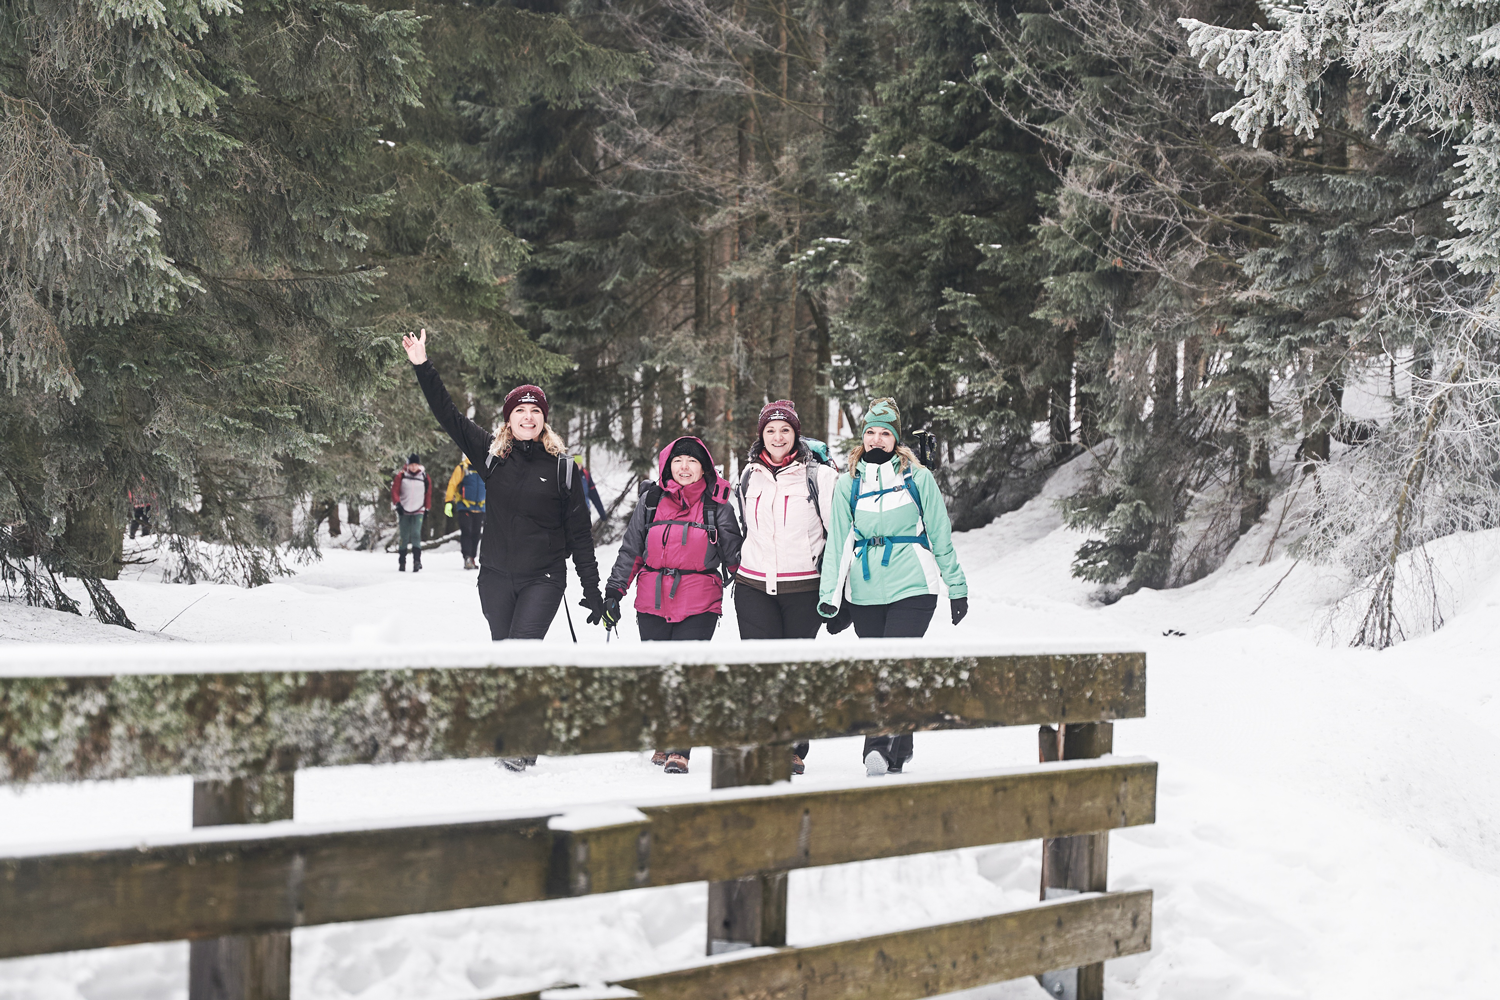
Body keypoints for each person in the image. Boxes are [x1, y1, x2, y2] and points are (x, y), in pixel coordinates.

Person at [403, 329, 605, 770]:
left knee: (522, 654)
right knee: (504, 656)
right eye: (520, 411)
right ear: (508, 419)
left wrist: (593, 590)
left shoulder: (563, 470)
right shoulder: (492, 457)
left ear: (544, 419)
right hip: (495, 576)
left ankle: (519, 742)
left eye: (535, 412)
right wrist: (422, 364)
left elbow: (580, 536)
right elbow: (449, 415)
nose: (528, 418)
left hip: (544, 578)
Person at [818, 398, 969, 777]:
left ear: (896, 438)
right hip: (866, 589)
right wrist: (830, 599)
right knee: (877, 669)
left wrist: (956, 587)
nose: (877, 439)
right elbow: (837, 543)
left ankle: (877, 744)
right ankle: (900, 744)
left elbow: (940, 535)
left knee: (892, 665)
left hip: (913, 585)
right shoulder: (848, 483)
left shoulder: (918, 478)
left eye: (885, 433)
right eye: (870, 432)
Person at [601, 436, 743, 774]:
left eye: (692, 461)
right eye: (678, 460)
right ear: (668, 465)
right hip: (651, 600)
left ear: (704, 466)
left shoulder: (717, 506)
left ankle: (681, 749)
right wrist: (614, 591)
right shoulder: (651, 500)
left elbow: (735, 556)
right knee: (660, 674)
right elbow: (632, 550)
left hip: (699, 601)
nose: (684, 467)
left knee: (687, 674)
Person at [735, 400, 840, 775]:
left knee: (794, 670)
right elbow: (743, 528)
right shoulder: (748, 475)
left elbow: (839, 535)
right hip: (753, 585)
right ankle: (766, 743)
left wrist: (835, 592)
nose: (777, 437)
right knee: (761, 670)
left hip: (802, 589)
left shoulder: (820, 477)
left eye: (784, 430)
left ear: (795, 434)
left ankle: (794, 747)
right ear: (760, 435)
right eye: (770, 430)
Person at [390, 453, 432, 572]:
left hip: (419, 509)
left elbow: (428, 493)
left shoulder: (424, 476)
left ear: (419, 465)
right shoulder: (401, 476)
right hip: (404, 509)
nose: (413, 467)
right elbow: (395, 491)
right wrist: (397, 504)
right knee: (404, 536)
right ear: (408, 465)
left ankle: (417, 561)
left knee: (416, 534)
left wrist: (427, 508)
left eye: (415, 465)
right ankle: (402, 561)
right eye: (411, 465)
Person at [444, 455, 486, 570]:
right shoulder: (462, 468)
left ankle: (472, 557)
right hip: (464, 506)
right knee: (467, 531)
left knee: (476, 534)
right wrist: (448, 501)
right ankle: (467, 556)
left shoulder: (484, 468)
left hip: (480, 507)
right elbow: (452, 484)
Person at [574, 455, 607, 521]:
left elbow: (595, 496)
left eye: (579, 464)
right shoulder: (565, 476)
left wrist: (602, 514)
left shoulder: (586, 475)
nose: (577, 466)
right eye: (575, 465)